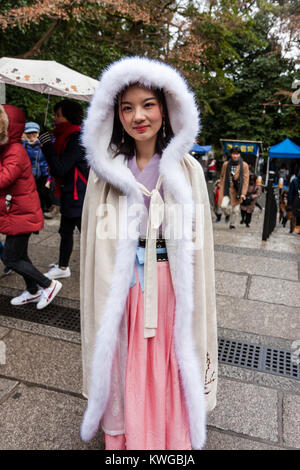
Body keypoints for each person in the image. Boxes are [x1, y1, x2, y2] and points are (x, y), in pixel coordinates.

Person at [79, 57, 218, 450]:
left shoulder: (187, 170)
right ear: (115, 114)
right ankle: (127, 443)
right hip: (123, 292)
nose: (138, 116)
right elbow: (95, 244)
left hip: (172, 289)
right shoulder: (105, 173)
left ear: (166, 108)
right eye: (127, 107)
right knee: (125, 366)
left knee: (170, 366)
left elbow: (197, 243)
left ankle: (169, 442)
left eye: (148, 104)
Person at [0, 104, 62, 308]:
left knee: (10, 258)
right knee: (21, 255)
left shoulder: (15, 151)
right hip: (16, 212)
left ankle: (48, 284)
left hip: (21, 213)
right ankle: (33, 290)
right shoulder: (8, 148)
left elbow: (3, 179)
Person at [39, 100, 89, 279]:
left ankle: (101, 268)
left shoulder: (76, 139)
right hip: (70, 193)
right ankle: (63, 266)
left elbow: (60, 168)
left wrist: (47, 146)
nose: (54, 118)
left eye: (58, 114)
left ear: (69, 116)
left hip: (77, 195)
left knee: (86, 234)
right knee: (66, 231)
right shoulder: (64, 136)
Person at [23, 121, 56, 213]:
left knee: (45, 193)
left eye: (34, 133)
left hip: (44, 174)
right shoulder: (23, 146)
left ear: (38, 133)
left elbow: (51, 160)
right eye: (29, 133)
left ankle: (47, 208)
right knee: (33, 194)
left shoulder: (44, 144)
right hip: (30, 175)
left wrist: (49, 178)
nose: (31, 135)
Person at [218, 146, 249, 229]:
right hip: (226, 189)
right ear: (231, 154)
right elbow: (222, 176)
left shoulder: (244, 165)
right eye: (234, 154)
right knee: (223, 206)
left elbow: (246, 180)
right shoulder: (226, 164)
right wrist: (220, 185)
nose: (235, 156)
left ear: (239, 155)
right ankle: (227, 215)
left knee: (235, 210)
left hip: (237, 190)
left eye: (237, 154)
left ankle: (232, 224)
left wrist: (243, 193)